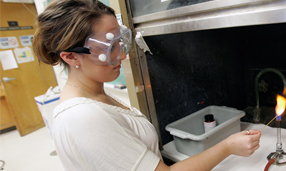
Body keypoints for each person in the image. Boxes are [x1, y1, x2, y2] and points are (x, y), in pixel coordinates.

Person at [33, 0, 261, 170]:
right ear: (71, 57)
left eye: (119, 42)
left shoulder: (97, 98)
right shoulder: (82, 117)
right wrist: (227, 146)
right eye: (108, 48)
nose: (122, 55)